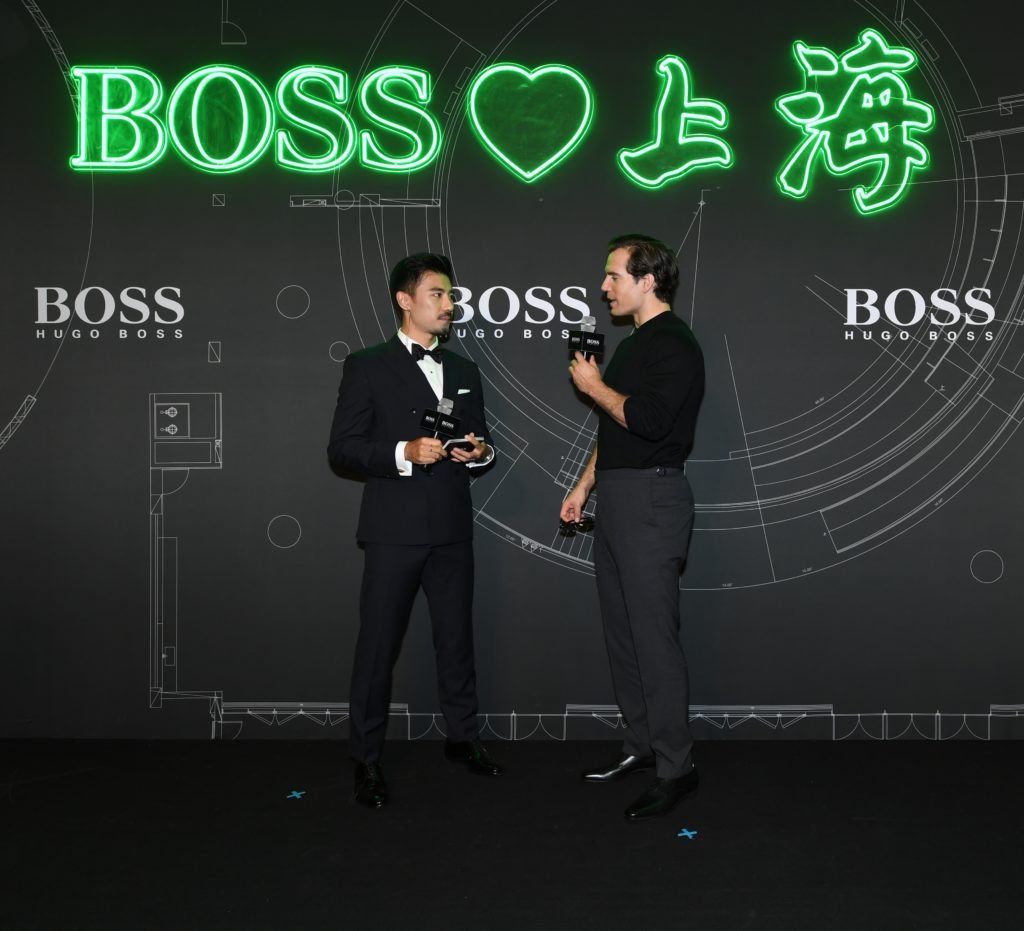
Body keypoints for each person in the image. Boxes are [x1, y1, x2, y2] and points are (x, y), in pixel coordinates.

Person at [328, 252, 503, 810]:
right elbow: (343, 449)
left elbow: (482, 440)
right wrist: (403, 451)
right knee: (378, 646)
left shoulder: (465, 370)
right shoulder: (367, 365)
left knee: (456, 641)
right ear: (405, 300)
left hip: (451, 526)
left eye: (451, 295)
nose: (449, 305)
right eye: (438, 294)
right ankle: (366, 758)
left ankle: (463, 738)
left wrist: (479, 452)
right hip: (393, 530)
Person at [561, 233, 705, 820]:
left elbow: (646, 420)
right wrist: (583, 485)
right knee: (623, 635)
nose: (604, 287)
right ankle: (642, 746)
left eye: (614, 276)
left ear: (648, 281)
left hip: (653, 498)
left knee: (652, 639)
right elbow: (614, 427)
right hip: (619, 496)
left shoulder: (675, 344)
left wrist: (593, 386)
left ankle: (677, 768)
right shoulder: (632, 344)